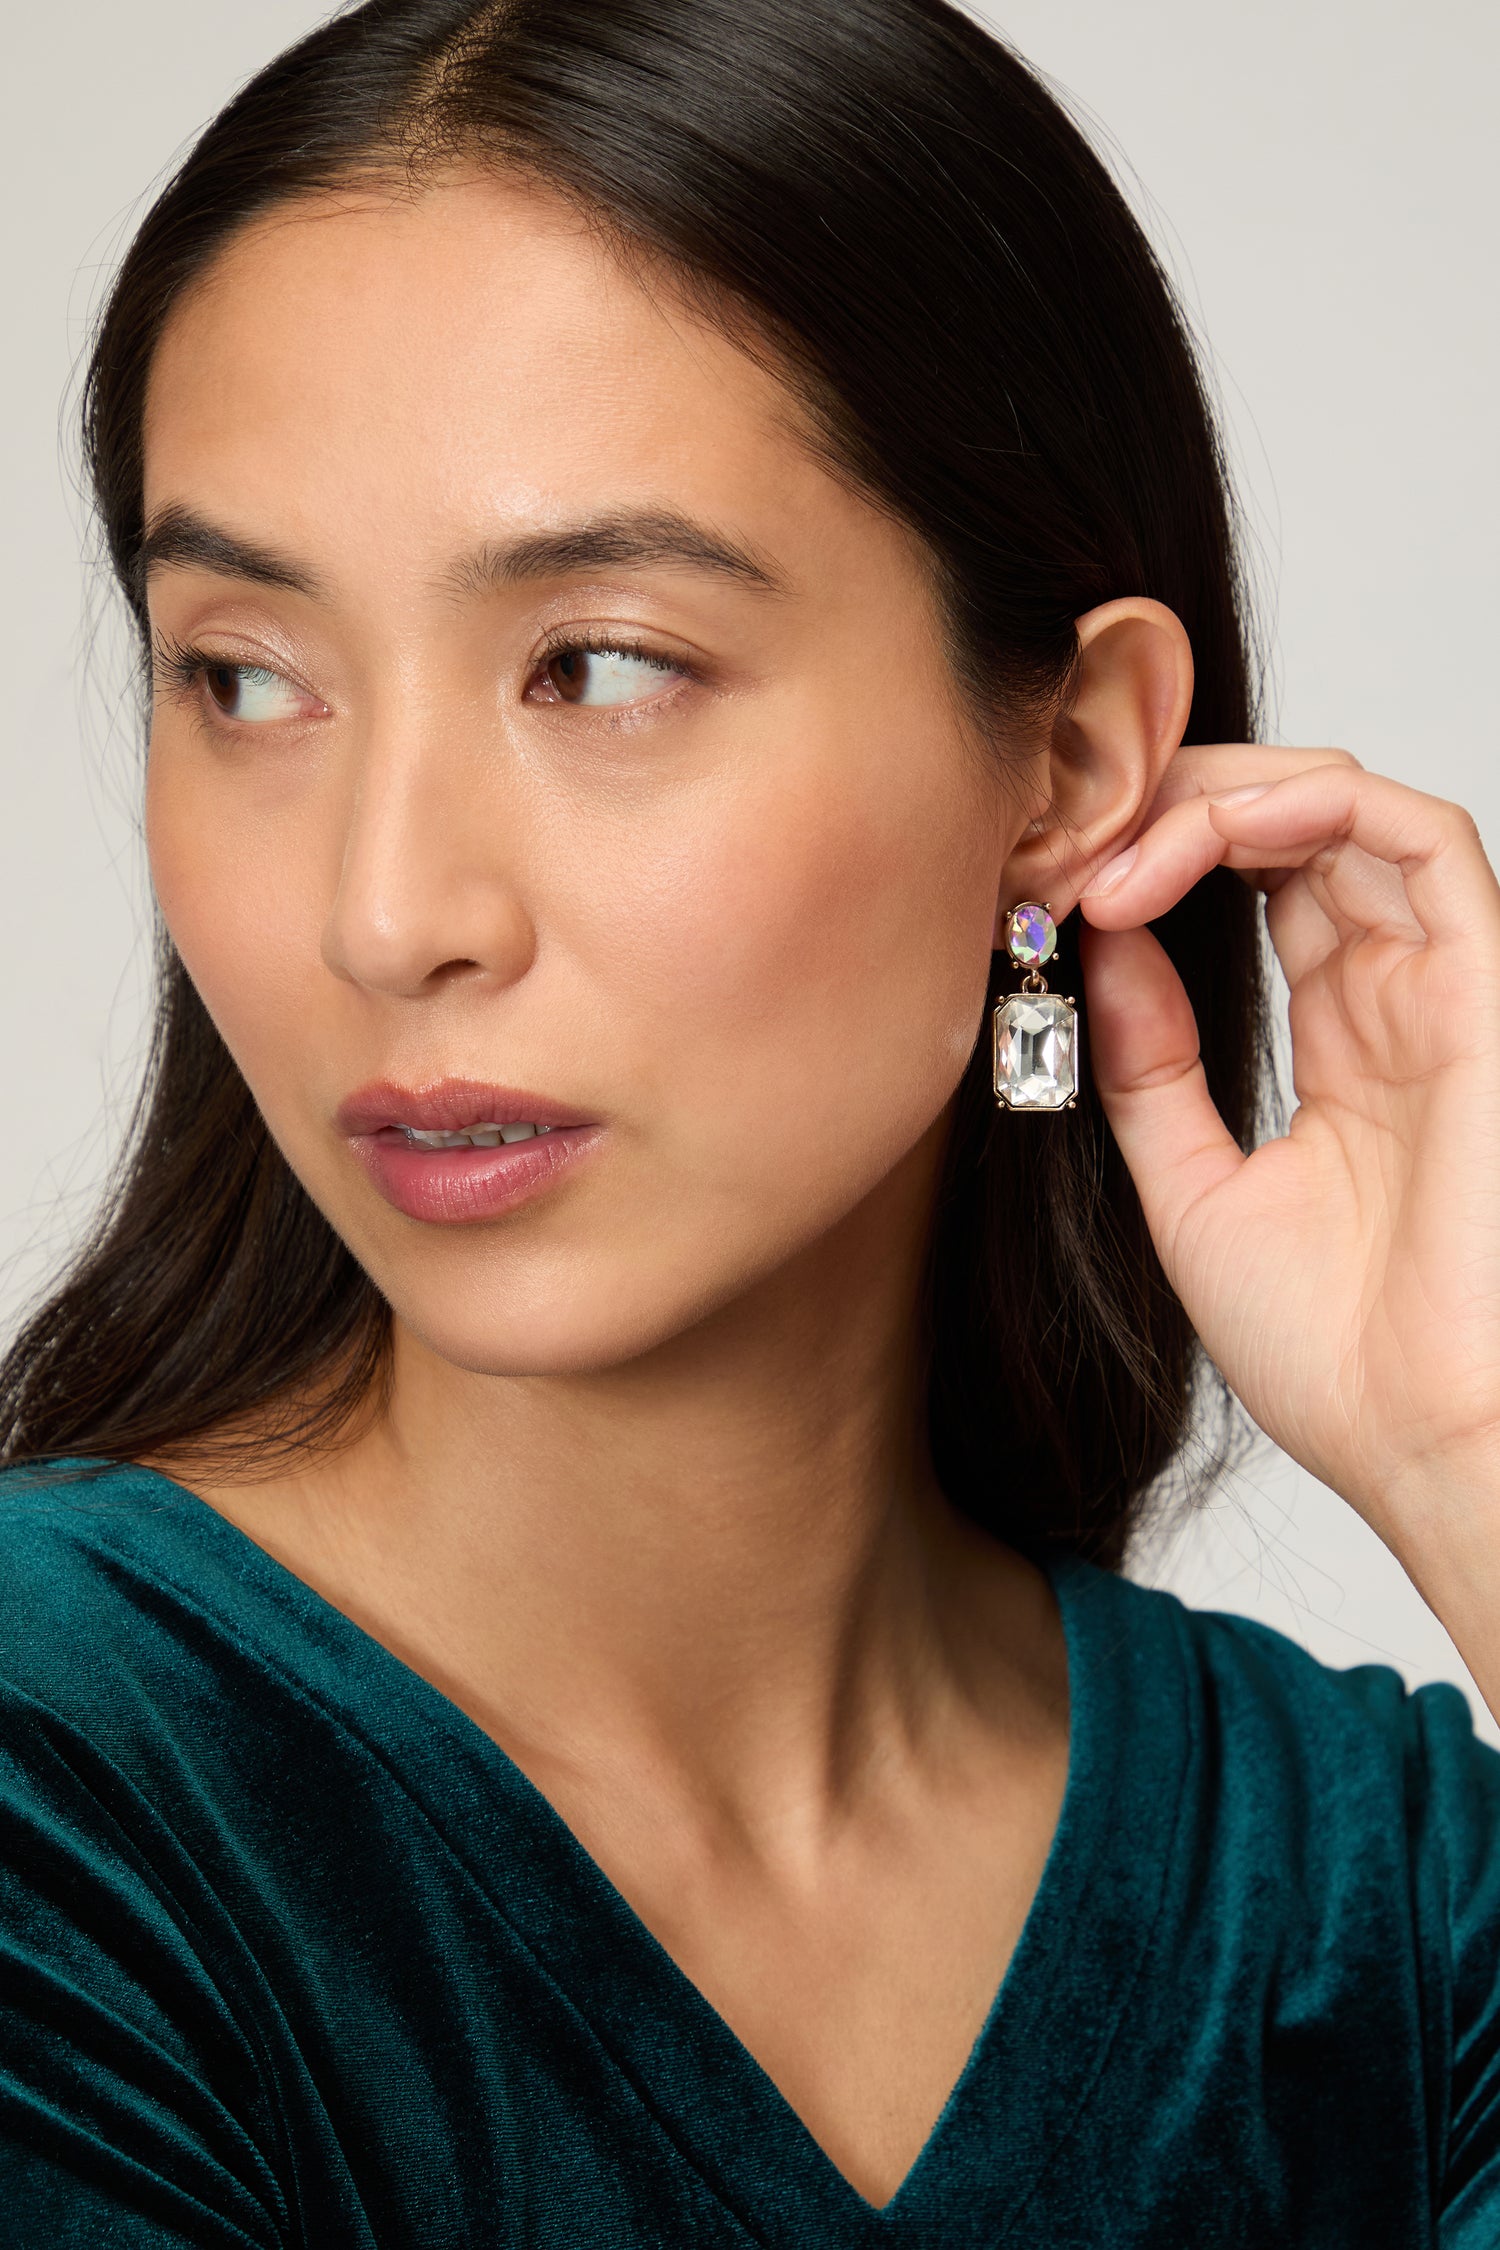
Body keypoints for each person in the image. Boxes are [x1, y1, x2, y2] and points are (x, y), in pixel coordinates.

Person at [3, 0, 1498, 2239]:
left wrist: (1482, 1459)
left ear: (1073, 762)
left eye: (597, 667)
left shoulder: (1381, 1898)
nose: (386, 911)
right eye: (246, 677)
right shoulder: (64, 1779)